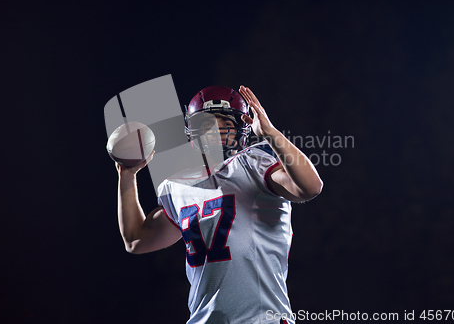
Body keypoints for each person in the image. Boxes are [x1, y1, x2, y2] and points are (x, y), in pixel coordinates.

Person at [116, 85, 323, 324]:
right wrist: (127, 174)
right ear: (191, 133)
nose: (213, 130)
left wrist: (271, 133)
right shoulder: (179, 187)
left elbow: (311, 187)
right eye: (204, 124)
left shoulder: (254, 164)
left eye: (223, 123)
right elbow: (135, 240)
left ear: (241, 128)